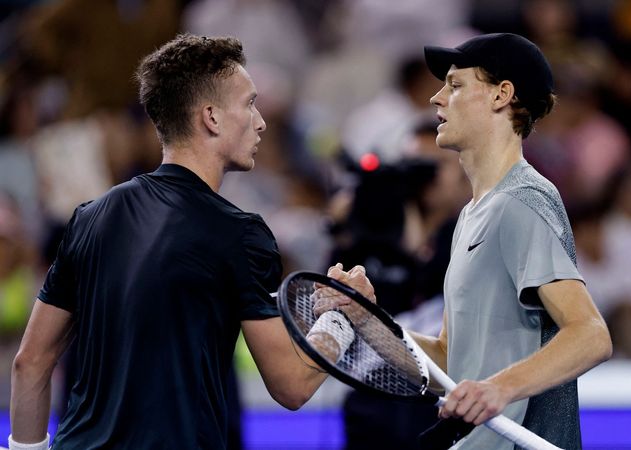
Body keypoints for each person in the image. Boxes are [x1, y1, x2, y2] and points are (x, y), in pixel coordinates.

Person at [8, 34, 373, 450]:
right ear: (212, 117)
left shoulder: (90, 217)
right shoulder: (239, 233)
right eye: (249, 104)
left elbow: (30, 362)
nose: (261, 122)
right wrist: (344, 317)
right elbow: (291, 385)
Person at [408, 33, 612, 448]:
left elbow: (591, 334)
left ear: (502, 95)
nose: (436, 98)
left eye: (455, 84)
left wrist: (498, 389)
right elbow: (453, 358)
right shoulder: (471, 215)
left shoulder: (521, 201)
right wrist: (369, 327)